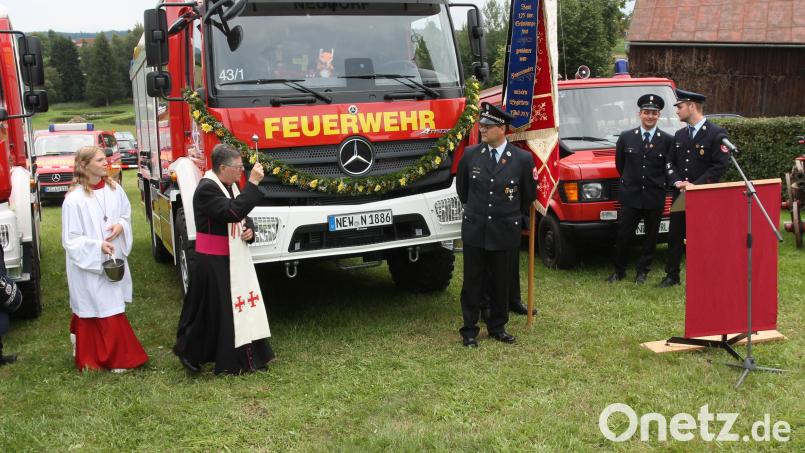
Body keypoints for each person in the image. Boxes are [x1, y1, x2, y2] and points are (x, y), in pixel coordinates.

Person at [174, 144, 275, 375]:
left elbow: (241, 216)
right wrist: (254, 183)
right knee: (212, 313)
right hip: (212, 261)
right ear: (222, 167)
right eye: (238, 167)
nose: (242, 171)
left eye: (242, 167)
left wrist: (249, 229)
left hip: (233, 257)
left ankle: (249, 357)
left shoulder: (229, 185)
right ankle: (193, 352)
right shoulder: (206, 189)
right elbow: (231, 212)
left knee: (239, 308)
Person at [456, 102, 537, 347]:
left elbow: (528, 195)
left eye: (487, 126)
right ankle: (469, 329)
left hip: (504, 230)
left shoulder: (522, 159)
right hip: (475, 229)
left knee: (501, 281)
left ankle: (497, 327)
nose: (482, 129)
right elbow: (463, 191)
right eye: (481, 125)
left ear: (502, 129)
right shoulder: (471, 154)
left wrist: (506, 214)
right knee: (472, 282)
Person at [62, 146, 148, 372]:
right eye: (100, 160)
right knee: (95, 307)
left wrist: (121, 225)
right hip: (87, 265)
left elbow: (125, 214)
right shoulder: (74, 199)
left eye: (105, 158)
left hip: (112, 260)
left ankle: (113, 357)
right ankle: (106, 359)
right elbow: (71, 240)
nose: (105, 162)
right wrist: (97, 246)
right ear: (85, 165)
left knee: (111, 304)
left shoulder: (114, 189)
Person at [660, 89, 730, 287]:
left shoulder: (716, 134)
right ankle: (672, 275)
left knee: (703, 238)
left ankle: (705, 276)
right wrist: (677, 182)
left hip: (704, 196)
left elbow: (719, 166)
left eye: (680, 107)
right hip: (681, 194)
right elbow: (669, 162)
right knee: (674, 235)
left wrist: (695, 186)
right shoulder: (680, 134)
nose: (677, 111)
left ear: (692, 107)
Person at [606, 94, 673, 284]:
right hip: (631, 195)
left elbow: (669, 168)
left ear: (659, 115)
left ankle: (642, 272)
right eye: (646, 113)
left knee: (651, 237)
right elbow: (621, 165)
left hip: (654, 195)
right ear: (639, 114)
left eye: (654, 113)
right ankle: (619, 271)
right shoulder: (627, 137)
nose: (650, 116)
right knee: (623, 235)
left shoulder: (667, 140)